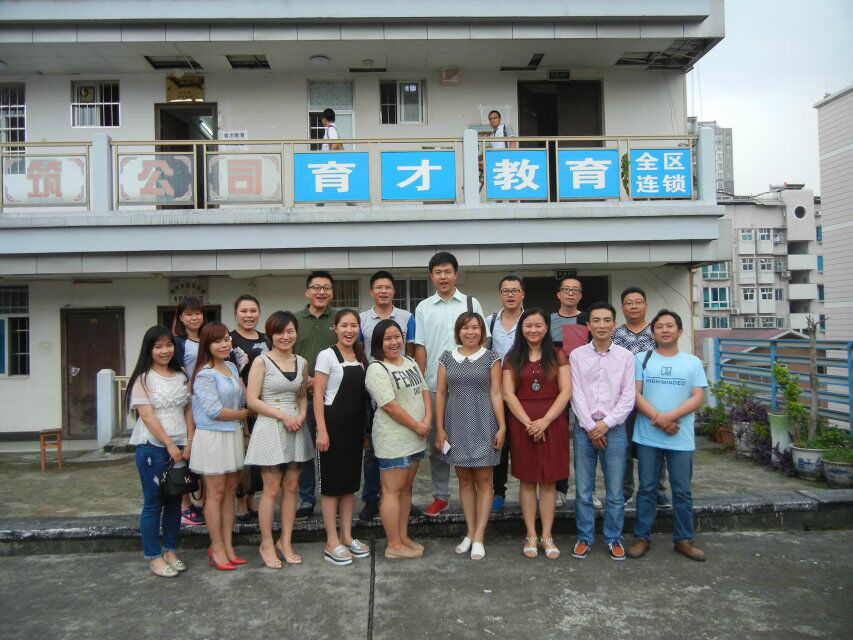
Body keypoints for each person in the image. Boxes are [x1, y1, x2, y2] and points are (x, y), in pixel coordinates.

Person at [627, 310, 708, 562]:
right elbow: (635, 394)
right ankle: (642, 537)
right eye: (659, 326)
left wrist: (669, 417)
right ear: (653, 332)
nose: (664, 330)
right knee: (647, 489)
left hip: (680, 438)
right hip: (647, 437)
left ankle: (683, 539)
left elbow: (698, 397)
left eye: (670, 326)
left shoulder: (692, 362)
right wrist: (660, 419)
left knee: (682, 491)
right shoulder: (641, 358)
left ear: (679, 331)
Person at [412, 251, 487, 517]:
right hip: (436, 386)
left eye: (447, 271)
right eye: (438, 272)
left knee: (474, 440)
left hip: (470, 386)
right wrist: (422, 383)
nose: (443, 277)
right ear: (431, 276)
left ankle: (476, 492)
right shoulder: (423, 307)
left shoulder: (471, 303)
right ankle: (440, 495)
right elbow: (420, 346)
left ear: (455, 274)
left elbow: (482, 341)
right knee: (439, 443)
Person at [245, 311, 313, 569]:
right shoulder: (261, 361)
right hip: (271, 426)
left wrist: (302, 415)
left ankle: (285, 541)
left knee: (292, 487)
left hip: (295, 426)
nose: (286, 336)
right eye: (280, 332)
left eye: (290, 331)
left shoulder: (302, 361)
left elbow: (302, 395)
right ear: (271, 335)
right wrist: (283, 416)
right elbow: (252, 400)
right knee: (271, 489)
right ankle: (266, 543)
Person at [502, 308, 571, 560]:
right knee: (528, 480)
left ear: (546, 328)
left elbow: (566, 391)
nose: (533, 330)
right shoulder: (512, 357)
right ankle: (531, 534)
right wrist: (530, 423)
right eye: (528, 325)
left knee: (549, 481)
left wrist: (545, 421)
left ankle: (547, 535)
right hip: (523, 423)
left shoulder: (558, 355)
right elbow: (508, 394)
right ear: (521, 329)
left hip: (553, 422)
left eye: (538, 325)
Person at [435, 312, 505, 560]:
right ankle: (470, 531)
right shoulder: (446, 357)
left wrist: (502, 426)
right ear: (458, 332)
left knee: (485, 480)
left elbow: (496, 393)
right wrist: (440, 428)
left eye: (475, 327)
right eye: (465, 328)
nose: (470, 332)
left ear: (482, 331)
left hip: (484, 422)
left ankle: (479, 536)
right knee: (464, 480)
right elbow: (440, 393)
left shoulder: (491, 358)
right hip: (455, 424)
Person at [569, 302, 636, 561]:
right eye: (596, 320)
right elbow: (575, 393)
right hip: (584, 430)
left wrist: (606, 424)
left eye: (607, 320)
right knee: (584, 490)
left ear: (614, 324)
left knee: (615, 491)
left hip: (614, 430)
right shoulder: (577, 356)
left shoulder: (626, 357)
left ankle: (613, 538)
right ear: (588, 325)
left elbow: (628, 396)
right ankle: (584, 537)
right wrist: (590, 426)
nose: (601, 325)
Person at [127, 325, 194, 578]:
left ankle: (171, 551)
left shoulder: (181, 374)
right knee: (153, 504)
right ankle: (153, 556)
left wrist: (189, 440)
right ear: (149, 349)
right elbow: (147, 416)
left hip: (180, 447)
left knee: (175, 502)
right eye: (158, 346)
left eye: (168, 345)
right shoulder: (143, 379)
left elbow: (188, 409)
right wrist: (169, 443)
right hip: (153, 449)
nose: (165, 350)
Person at [365, 319, 431, 560]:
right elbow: (390, 406)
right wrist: (417, 425)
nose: (394, 342)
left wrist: (427, 419)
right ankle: (393, 544)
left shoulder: (410, 361)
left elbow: (424, 390)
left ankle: (403, 537)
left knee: (406, 489)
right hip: (393, 439)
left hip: (416, 436)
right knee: (392, 491)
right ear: (378, 343)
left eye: (397, 337)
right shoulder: (377, 369)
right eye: (388, 339)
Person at [357, 270, 417, 522]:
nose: (383, 291)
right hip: (374, 388)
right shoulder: (361, 319)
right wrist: (373, 374)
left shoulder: (407, 317)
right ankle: (372, 499)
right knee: (373, 447)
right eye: (378, 287)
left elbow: (410, 350)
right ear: (371, 291)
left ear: (394, 291)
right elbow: (359, 350)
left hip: (402, 388)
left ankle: (403, 498)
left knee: (407, 444)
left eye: (388, 287)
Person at [189, 322, 249, 571]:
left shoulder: (232, 367)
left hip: (232, 434)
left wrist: (243, 425)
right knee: (215, 493)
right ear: (207, 345)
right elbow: (214, 411)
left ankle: (228, 544)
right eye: (217, 341)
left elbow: (243, 398)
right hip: (212, 437)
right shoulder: (204, 374)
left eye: (226, 339)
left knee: (230, 490)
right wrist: (244, 415)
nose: (224, 344)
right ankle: (216, 547)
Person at [314, 309, 371, 566]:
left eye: (354, 326)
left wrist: (364, 431)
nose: (349, 330)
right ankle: (331, 541)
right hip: (333, 425)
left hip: (354, 427)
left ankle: (347, 536)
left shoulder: (360, 356)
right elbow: (318, 395)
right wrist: (322, 430)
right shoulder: (327, 355)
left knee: (349, 484)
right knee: (331, 486)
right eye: (344, 325)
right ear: (335, 328)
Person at [611, 286, 668, 506]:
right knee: (623, 446)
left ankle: (657, 490)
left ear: (645, 305)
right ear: (622, 307)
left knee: (654, 445)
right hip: (621, 399)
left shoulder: (656, 332)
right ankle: (625, 490)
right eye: (629, 303)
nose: (633, 306)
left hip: (653, 397)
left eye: (638, 302)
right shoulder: (615, 334)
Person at [295, 271, 339, 521]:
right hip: (302, 396)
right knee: (306, 449)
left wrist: (321, 380)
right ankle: (306, 498)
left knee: (332, 448)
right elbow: (285, 352)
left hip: (334, 395)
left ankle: (333, 494)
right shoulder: (294, 320)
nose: (321, 292)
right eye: (316, 287)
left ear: (332, 292)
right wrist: (305, 380)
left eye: (326, 288)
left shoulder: (340, 319)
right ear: (307, 292)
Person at [550, 277, 591, 507]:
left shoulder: (588, 320)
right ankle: (560, 489)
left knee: (586, 439)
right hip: (556, 388)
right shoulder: (548, 320)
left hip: (585, 388)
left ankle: (588, 490)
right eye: (566, 289)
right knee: (559, 439)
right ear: (558, 294)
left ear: (581, 295)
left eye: (576, 290)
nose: (570, 293)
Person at [486, 275, 525, 512]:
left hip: (526, 391)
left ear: (522, 294)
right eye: (506, 291)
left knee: (524, 441)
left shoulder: (530, 320)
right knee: (499, 443)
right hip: (497, 392)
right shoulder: (490, 321)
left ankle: (528, 489)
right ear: (500, 294)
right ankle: (498, 491)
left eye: (515, 291)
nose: (510, 295)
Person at [230, 294, 268, 522]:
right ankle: (240, 502)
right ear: (236, 314)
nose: (249, 315)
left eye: (253, 311)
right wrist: (250, 400)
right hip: (241, 405)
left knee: (258, 455)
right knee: (242, 454)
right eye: (244, 311)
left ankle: (252, 497)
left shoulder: (266, 339)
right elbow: (232, 374)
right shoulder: (229, 340)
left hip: (265, 406)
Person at [172, 296, 207, 527]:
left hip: (207, 402)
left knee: (203, 453)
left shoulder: (208, 338)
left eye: (198, 313)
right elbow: (175, 372)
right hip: (188, 403)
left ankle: (201, 503)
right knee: (187, 452)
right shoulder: (178, 343)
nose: (194, 318)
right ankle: (185, 505)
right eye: (189, 314)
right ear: (181, 318)